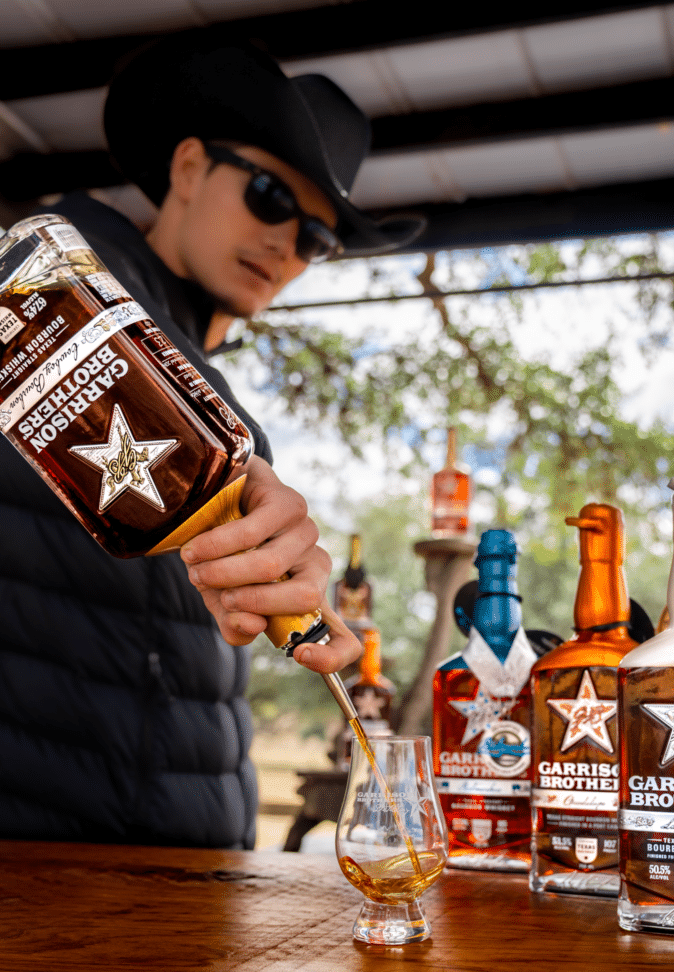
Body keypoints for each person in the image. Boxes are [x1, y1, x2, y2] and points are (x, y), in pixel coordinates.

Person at [0, 29, 424, 848]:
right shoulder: (56, 303)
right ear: (189, 168)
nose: (285, 245)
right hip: (54, 872)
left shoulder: (197, 369)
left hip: (193, 865)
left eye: (316, 239)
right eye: (269, 196)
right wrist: (242, 467)